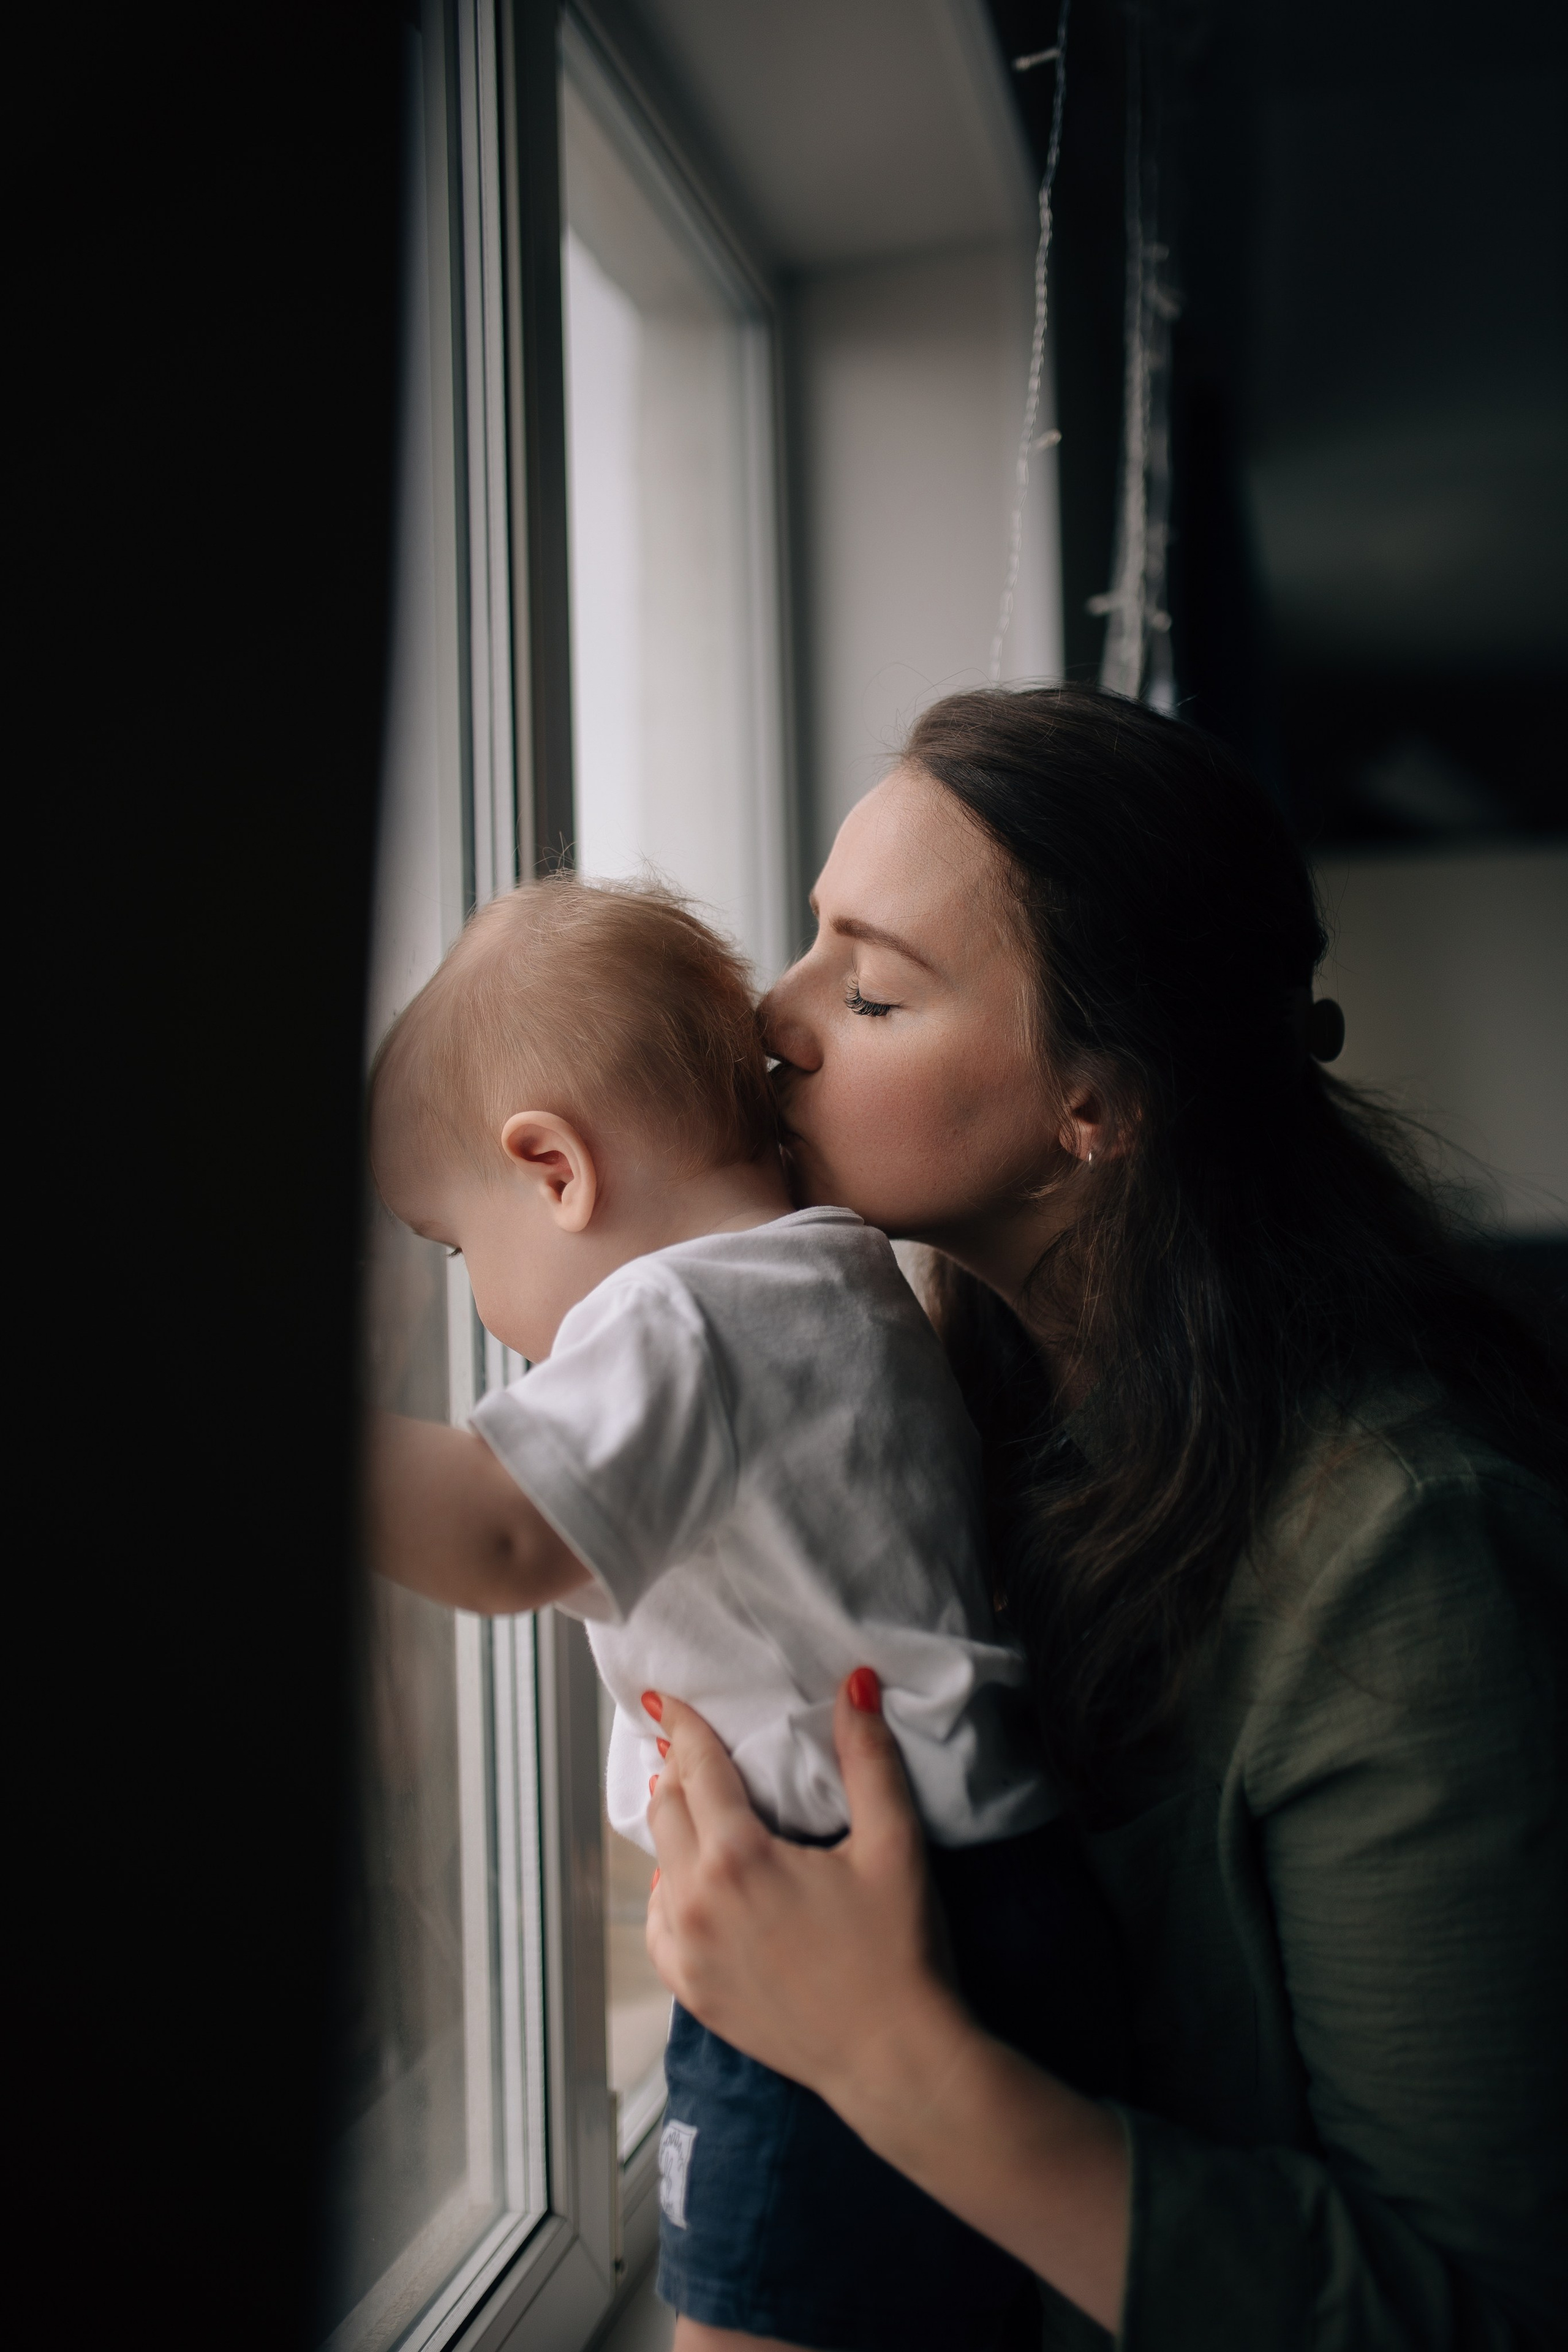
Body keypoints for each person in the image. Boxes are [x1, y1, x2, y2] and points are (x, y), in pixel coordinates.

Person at [643, 684, 1568, 2352]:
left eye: (865, 988)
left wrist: (886, 2062)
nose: (769, 1021)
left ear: (1102, 1106)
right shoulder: (925, 1424)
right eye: (809, 947)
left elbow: (1477, 2314)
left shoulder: (1409, 1566)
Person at [363, 875, 1126, 2352]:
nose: (484, 1313)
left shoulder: (680, 1316)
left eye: (461, 1255)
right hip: (1006, 1887)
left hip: (850, 1919)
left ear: (552, 1169)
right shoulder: (840, 1277)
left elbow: (506, 1536)